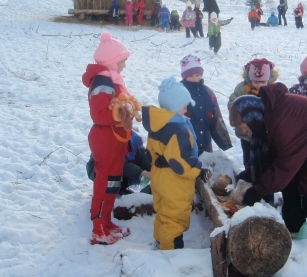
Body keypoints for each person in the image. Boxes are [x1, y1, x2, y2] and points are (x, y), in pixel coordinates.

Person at [229, 83, 307, 239]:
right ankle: (293, 229)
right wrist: (251, 173)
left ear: (252, 116)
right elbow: (273, 155)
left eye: (244, 125)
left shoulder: (283, 120)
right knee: (290, 183)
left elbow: (285, 165)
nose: (244, 130)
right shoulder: (268, 116)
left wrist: (259, 190)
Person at [142, 77, 211, 250]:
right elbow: (180, 161)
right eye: (185, 106)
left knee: (164, 212)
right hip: (174, 180)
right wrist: (199, 170)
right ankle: (171, 251)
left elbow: (150, 152)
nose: (187, 109)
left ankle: (160, 241)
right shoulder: (177, 130)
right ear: (174, 106)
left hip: (159, 176)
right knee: (174, 217)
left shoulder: (159, 124)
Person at [82, 31, 138, 245]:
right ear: (114, 61)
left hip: (116, 140)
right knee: (103, 183)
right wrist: (122, 111)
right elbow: (99, 113)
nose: (124, 64)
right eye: (123, 60)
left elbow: (121, 103)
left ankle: (107, 220)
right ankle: (98, 227)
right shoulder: (102, 81)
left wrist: (130, 106)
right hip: (105, 139)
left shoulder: (114, 79)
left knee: (113, 182)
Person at [228, 58, 278, 183]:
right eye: (256, 82)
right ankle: (249, 179)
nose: (259, 85)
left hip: (263, 134)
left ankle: (262, 181)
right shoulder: (242, 88)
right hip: (246, 134)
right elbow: (232, 104)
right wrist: (242, 114)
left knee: (263, 158)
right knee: (248, 157)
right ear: (250, 78)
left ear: (269, 79)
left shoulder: (272, 90)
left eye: (263, 82)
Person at [180, 55, 232, 155]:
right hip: (185, 142)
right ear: (184, 76)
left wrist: (224, 142)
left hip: (205, 142)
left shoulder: (208, 93)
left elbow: (216, 118)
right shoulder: (180, 92)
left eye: (197, 75)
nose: (195, 78)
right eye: (190, 76)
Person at [86, 131, 152, 195]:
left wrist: (152, 167)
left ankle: (122, 189)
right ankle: (111, 193)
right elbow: (121, 164)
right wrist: (143, 173)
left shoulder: (132, 136)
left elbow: (141, 155)